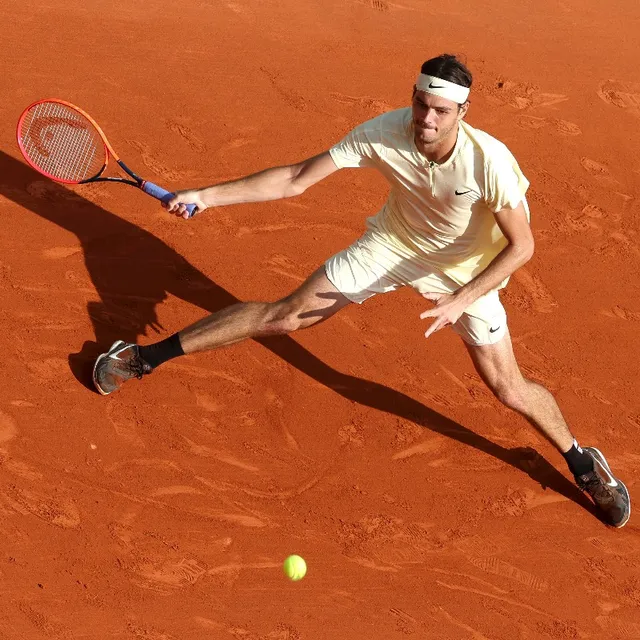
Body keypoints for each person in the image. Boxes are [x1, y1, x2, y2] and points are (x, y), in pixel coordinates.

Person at [92, 54, 630, 528]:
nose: (427, 120)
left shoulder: (490, 162)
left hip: (468, 273)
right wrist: (206, 196)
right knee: (285, 316)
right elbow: (297, 178)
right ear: (413, 99)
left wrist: (463, 298)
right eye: (421, 105)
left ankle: (583, 462)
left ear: (464, 113)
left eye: (442, 111)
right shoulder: (383, 131)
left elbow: (522, 247)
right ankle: (141, 357)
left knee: (508, 389)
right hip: (391, 247)